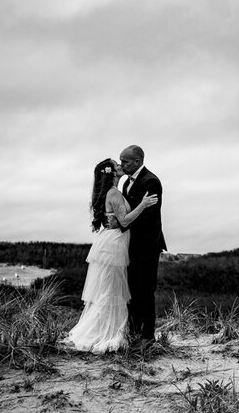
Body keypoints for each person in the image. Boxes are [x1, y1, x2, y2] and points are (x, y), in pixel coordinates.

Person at [65, 158, 158, 354]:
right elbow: (124, 221)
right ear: (112, 173)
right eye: (117, 165)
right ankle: (105, 333)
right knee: (111, 289)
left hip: (111, 241)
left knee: (109, 289)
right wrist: (142, 204)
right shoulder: (114, 193)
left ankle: (107, 329)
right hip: (114, 243)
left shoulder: (113, 191)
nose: (120, 166)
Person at [119, 145, 167, 348]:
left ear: (137, 161)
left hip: (147, 244)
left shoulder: (151, 181)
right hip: (131, 244)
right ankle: (134, 330)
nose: (122, 165)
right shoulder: (125, 183)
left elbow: (149, 216)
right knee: (133, 289)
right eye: (121, 161)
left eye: (125, 162)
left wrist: (122, 222)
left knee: (145, 289)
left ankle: (147, 337)